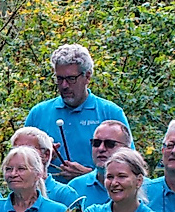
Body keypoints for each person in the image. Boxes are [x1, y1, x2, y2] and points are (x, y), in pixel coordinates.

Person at [24, 44, 131, 181]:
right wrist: (40, 155)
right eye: (59, 79)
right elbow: (20, 161)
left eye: (71, 79)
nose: (64, 85)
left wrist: (89, 176)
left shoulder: (110, 113)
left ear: (87, 77)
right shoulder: (38, 114)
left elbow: (129, 166)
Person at [67, 120, 132, 207]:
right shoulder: (74, 187)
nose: (101, 148)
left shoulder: (146, 188)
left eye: (110, 144)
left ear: (126, 148)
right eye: (96, 143)